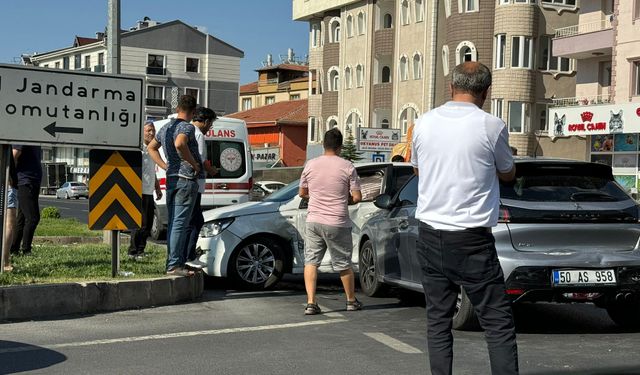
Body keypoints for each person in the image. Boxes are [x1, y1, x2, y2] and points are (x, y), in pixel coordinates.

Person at [411, 62, 518, 375]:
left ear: (450, 87)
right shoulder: (491, 125)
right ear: (486, 92)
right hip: (472, 239)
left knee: (438, 321)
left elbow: (417, 169)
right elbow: (507, 171)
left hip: (430, 235)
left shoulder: (423, 123)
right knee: (497, 323)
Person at [298, 128, 363, 315]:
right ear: (340, 146)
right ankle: (351, 301)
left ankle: (311, 303)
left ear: (322, 145)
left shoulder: (310, 164)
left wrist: (317, 197)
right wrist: (345, 199)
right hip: (337, 221)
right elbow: (357, 197)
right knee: (343, 263)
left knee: (311, 262)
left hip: (314, 220)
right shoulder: (347, 166)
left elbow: (302, 193)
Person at [147, 95, 201, 276]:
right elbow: (180, 143)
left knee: (173, 224)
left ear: (178, 108)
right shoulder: (187, 126)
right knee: (180, 223)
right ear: (193, 112)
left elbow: (151, 148)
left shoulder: (165, 128)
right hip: (185, 179)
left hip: (171, 180)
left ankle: (172, 262)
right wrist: (194, 164)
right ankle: (175, 265)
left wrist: (165, 166)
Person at [185, 107, 218, 265]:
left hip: (187, 182)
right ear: (205, 121)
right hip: (194, 183)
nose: (209, 128)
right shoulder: (198, 135)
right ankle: (189, 256)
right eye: (210, 125)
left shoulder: (186, 131)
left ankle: (185, 255)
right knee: (195, 221)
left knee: (188, 221)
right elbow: (201, 159)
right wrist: (212, 170)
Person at [128, 121, 163, 260]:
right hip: (138, 191)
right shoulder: (139, 150)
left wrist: (158, 188)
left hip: (149, 191)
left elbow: (152, 172)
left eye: (153, 130)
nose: (151, 133)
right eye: (148, 130)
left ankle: (141, 250)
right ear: (142, 132)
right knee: (140, 223)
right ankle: (133, 251)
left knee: (148, 224)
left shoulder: (153, 150)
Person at [11, 144, 42, 256]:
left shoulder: (33, 138)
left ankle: (14, 249)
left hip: (32, 182)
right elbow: (14, 154)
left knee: (22, 218)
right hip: (25, 181)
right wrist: (12, 177)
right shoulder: (23, 135)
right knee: (33, 218)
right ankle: (26, 250)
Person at [2, 156, 18, 272]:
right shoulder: (8, 139)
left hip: (7, 183)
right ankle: (5, 262)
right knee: (9, 225)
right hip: (7, 183)